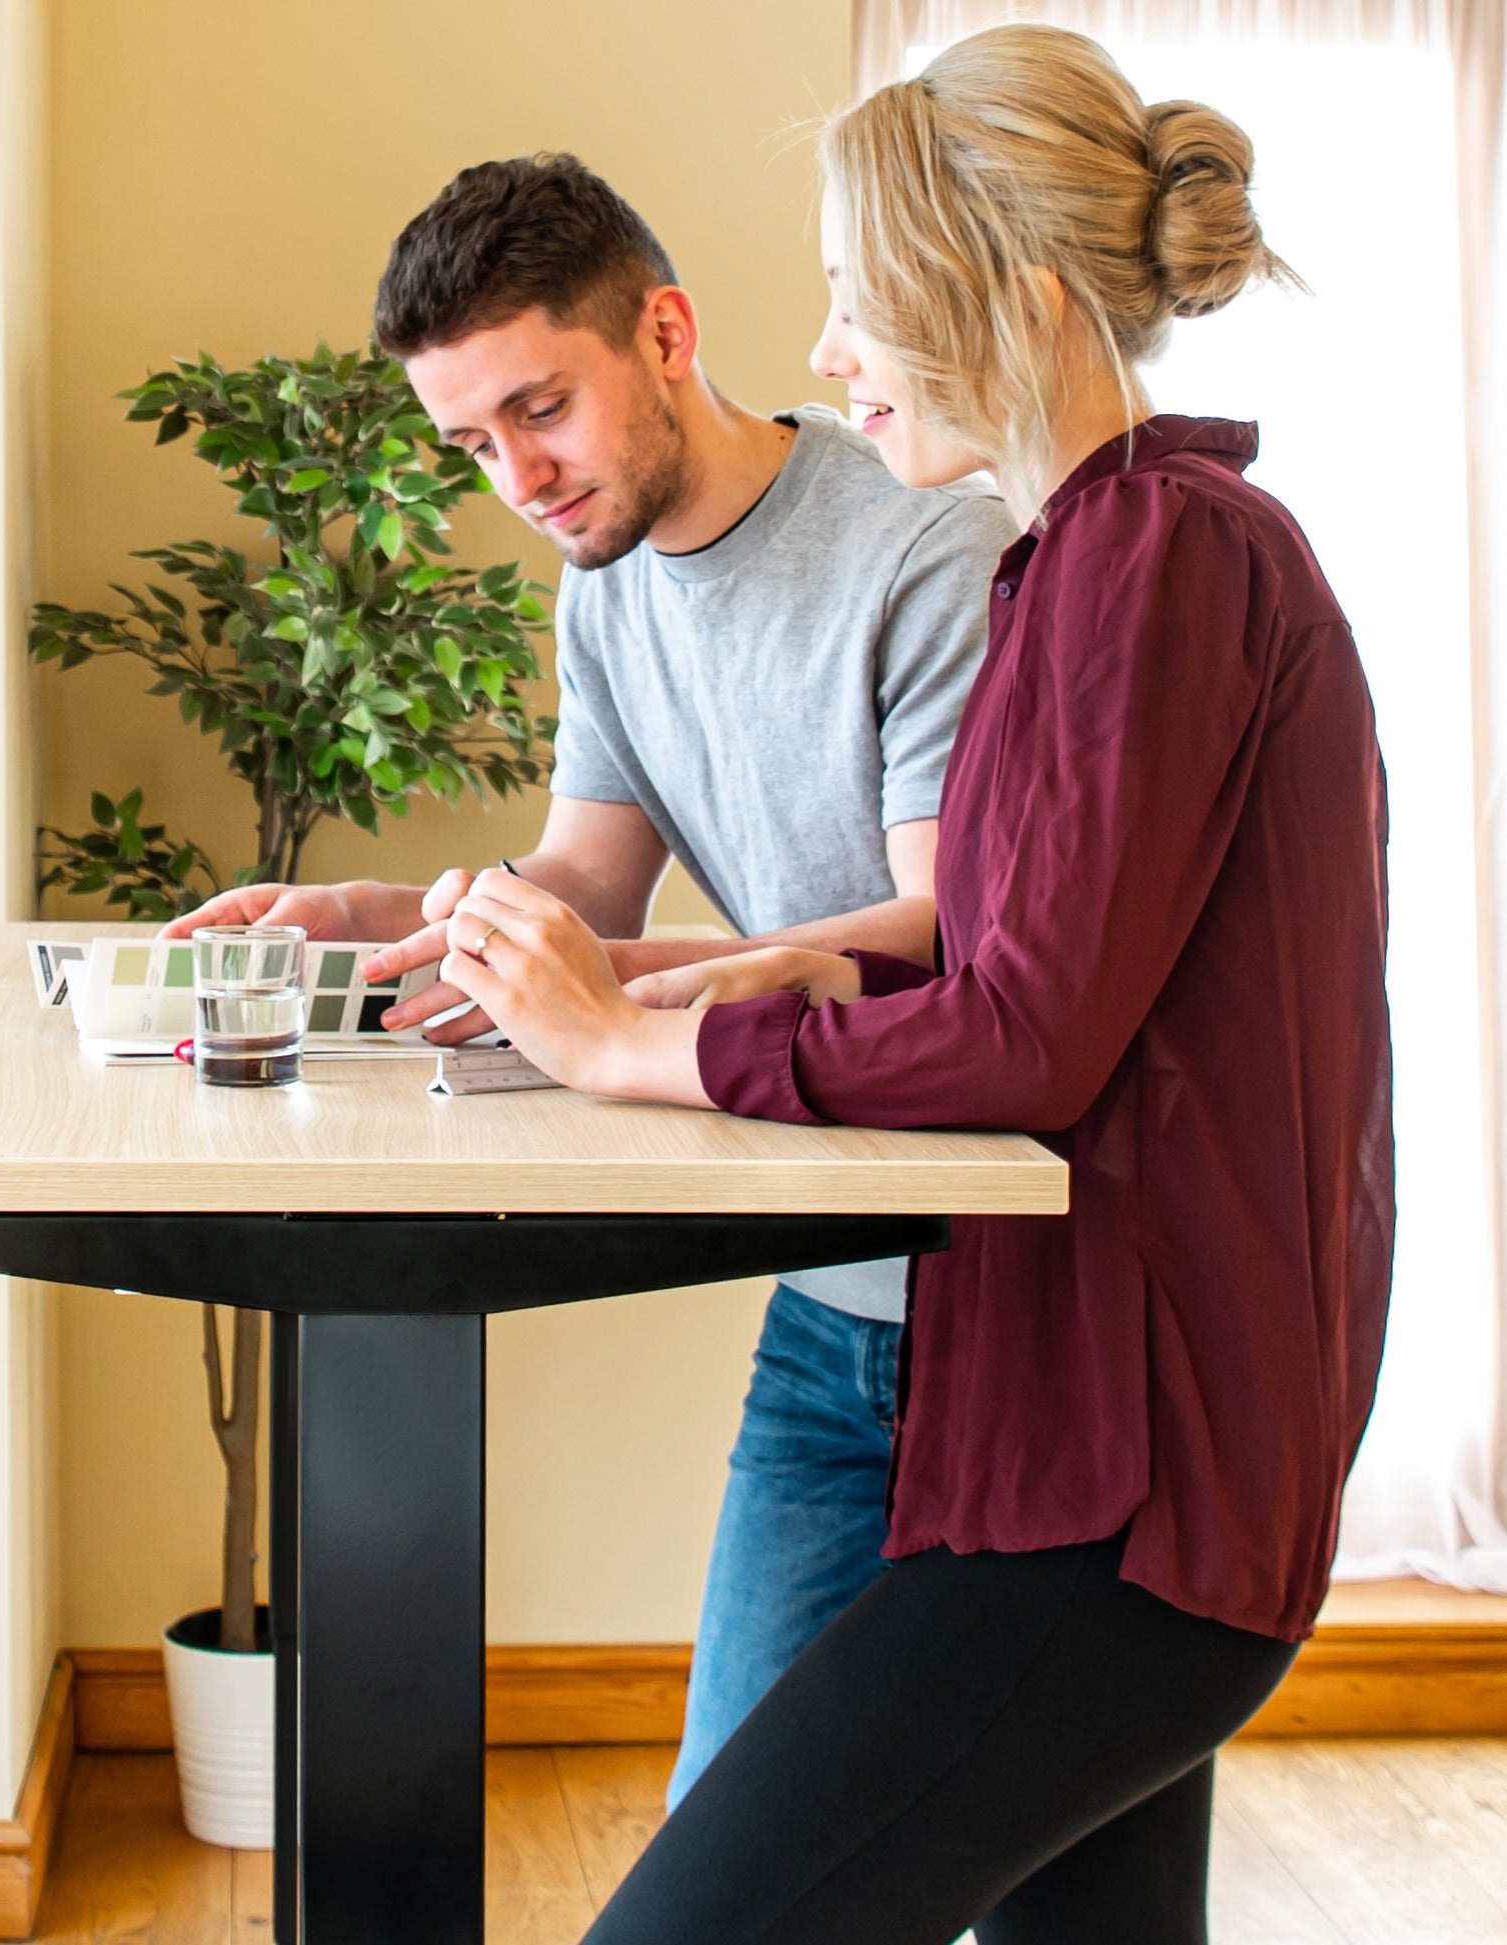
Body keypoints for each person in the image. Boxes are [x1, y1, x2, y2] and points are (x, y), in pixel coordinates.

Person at [429, 26, 1394, 1943]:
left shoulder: (1155, 557)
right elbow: (1027, 960)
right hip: (1082, 1430)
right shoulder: (1094, 560)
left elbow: (1025, 1039)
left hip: (1126, 1482)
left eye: (861, 302)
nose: (829, 352)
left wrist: (640, 1044)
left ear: (1008, 300)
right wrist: (746, 968)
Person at [163, 155, 1017, 1801]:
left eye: (538, 409)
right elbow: (588, 879)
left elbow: (945, 932)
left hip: (998, 1286)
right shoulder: (604, 584)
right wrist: (369, 913)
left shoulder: (922, 542)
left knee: (938, 1863)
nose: (516, 475)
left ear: (669, 332)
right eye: (472, 444)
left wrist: (611, 1004)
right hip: (832, 1286)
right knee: (742, 1820)